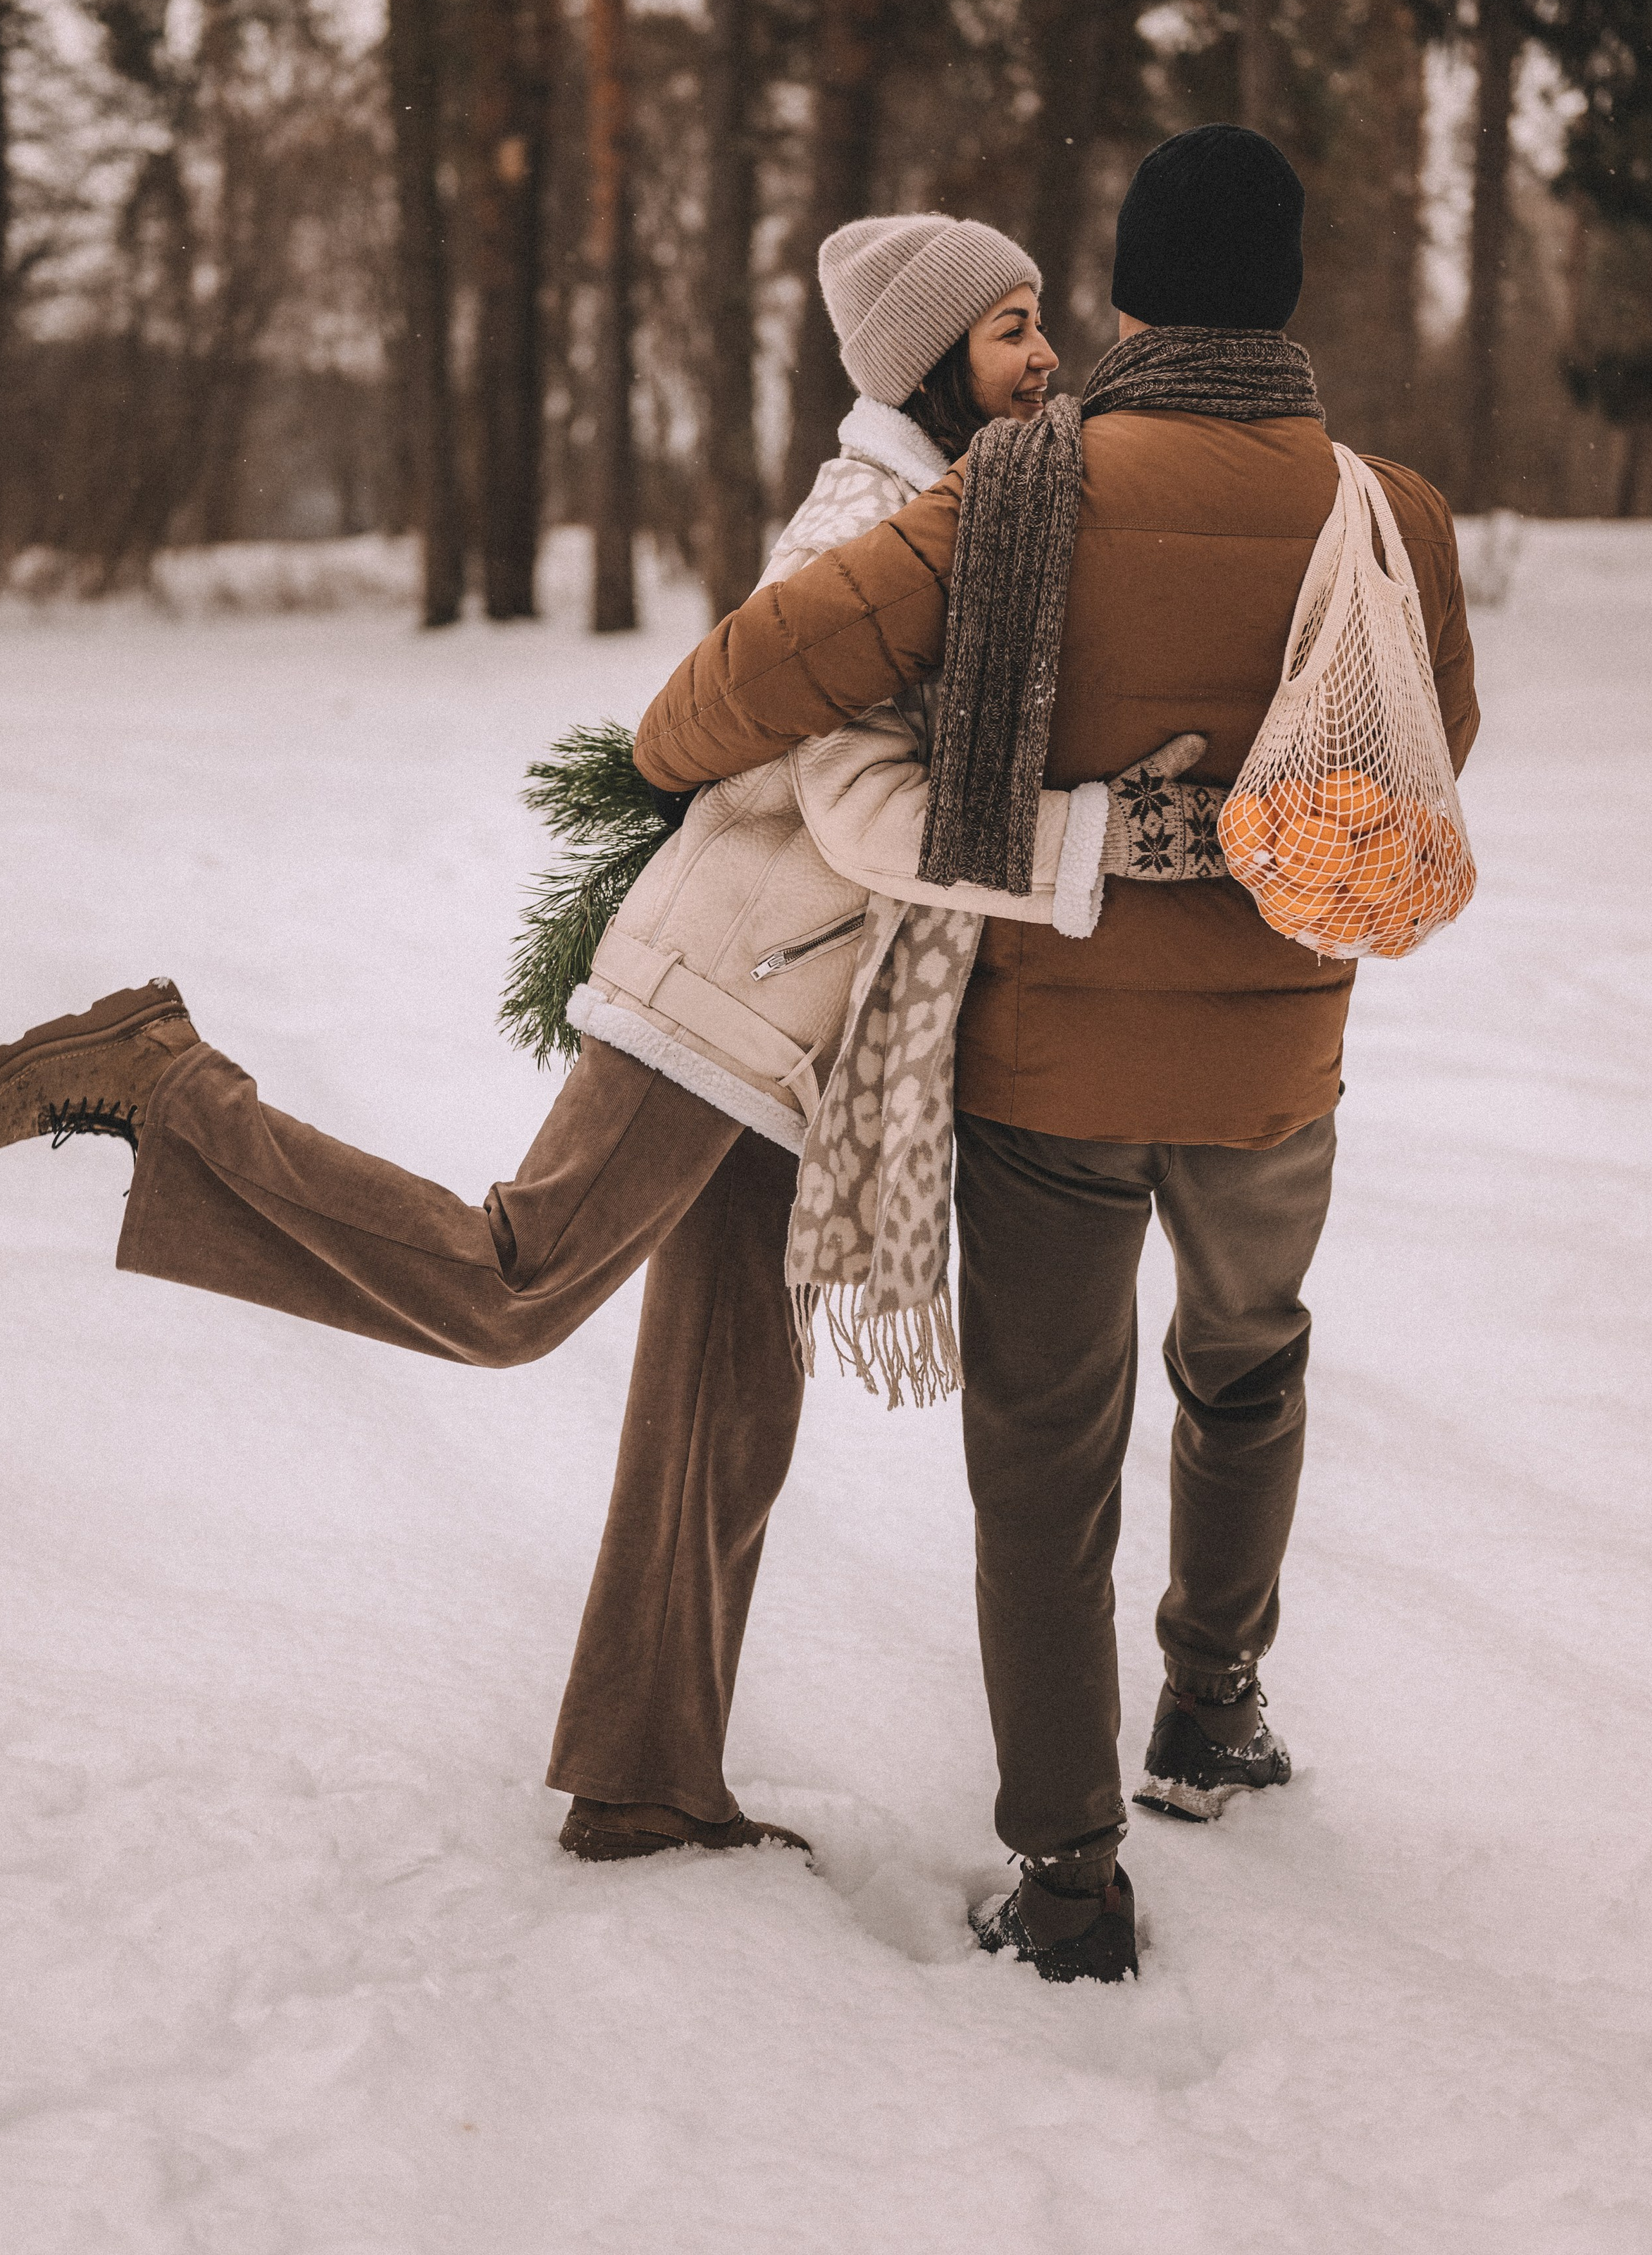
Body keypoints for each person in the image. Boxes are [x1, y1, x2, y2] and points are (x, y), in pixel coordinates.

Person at [0, 215, 1225, 1872]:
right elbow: (858, 806)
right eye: (1006, 327)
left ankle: (642, 1776)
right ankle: (172, 1085)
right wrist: (1099, 838)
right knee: (510, 1283)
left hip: (789, 1031)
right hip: (723, 993)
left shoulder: (956, 515)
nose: (1043, 354)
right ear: (925, 362)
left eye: (1040, 317)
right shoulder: (868, 529)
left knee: (726, 1405)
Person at [623, 125, 1479, 1984]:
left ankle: (1069, 1868)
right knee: (1244, 1368)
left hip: (1045, 1074)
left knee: (1040, 1450)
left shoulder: (1018, 489)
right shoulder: (1388, 515)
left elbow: (740, 684)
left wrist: (662, 755)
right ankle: (1211, 1703)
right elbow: (1423, 770)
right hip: (1269, 1067)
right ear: (1290, 293)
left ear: (1124, 294)